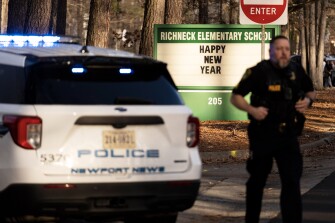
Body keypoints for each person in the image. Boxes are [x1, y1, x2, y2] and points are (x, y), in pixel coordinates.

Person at [230, 35, 316, 223]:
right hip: (263, 134)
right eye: (279, 48)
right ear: (270, 51)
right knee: (257, 181)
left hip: (288, 135)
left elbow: (310, 90)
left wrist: (307, 101)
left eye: (286, 48)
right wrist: (251, 109)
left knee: (292, 181)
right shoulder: (258, 72)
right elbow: (235, 96)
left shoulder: (296, 70)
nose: (283, 52)